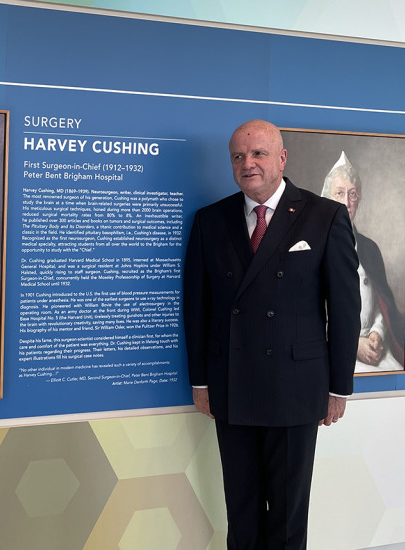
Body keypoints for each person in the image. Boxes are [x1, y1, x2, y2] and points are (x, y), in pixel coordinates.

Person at [183, 120, 360, 549]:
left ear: (282, 158)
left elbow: (345, 309)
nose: (249, 164)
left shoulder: (324, 216)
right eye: (239, 156)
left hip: (297, 390)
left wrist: (339, 387)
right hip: (232, 386)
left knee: (286, 519)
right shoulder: (211, 220)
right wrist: (201, 381)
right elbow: (195, 308)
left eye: (259, 154)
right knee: (241, 515)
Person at [321, 152, 404, 372]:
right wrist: (353, 344)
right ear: (328, 198)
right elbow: (307, 314)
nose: (346, 203)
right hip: (332, 350)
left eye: (353, 194)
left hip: (374, 348)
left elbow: (381, 306)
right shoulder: (314, 248)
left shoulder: (369, 248)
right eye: (339, 193)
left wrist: (377, 333)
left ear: (359, 199)